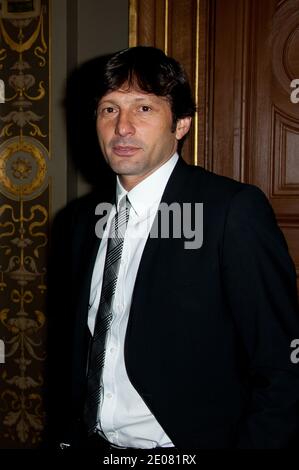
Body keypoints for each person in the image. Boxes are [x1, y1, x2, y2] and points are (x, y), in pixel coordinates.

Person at [46, 46, 299, 451]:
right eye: (109, 109)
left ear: (180, 124)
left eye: (144, 109)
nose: (122, 127)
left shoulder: (230, 211)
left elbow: (282, 367)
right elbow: (79, 346)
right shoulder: (80, 221)